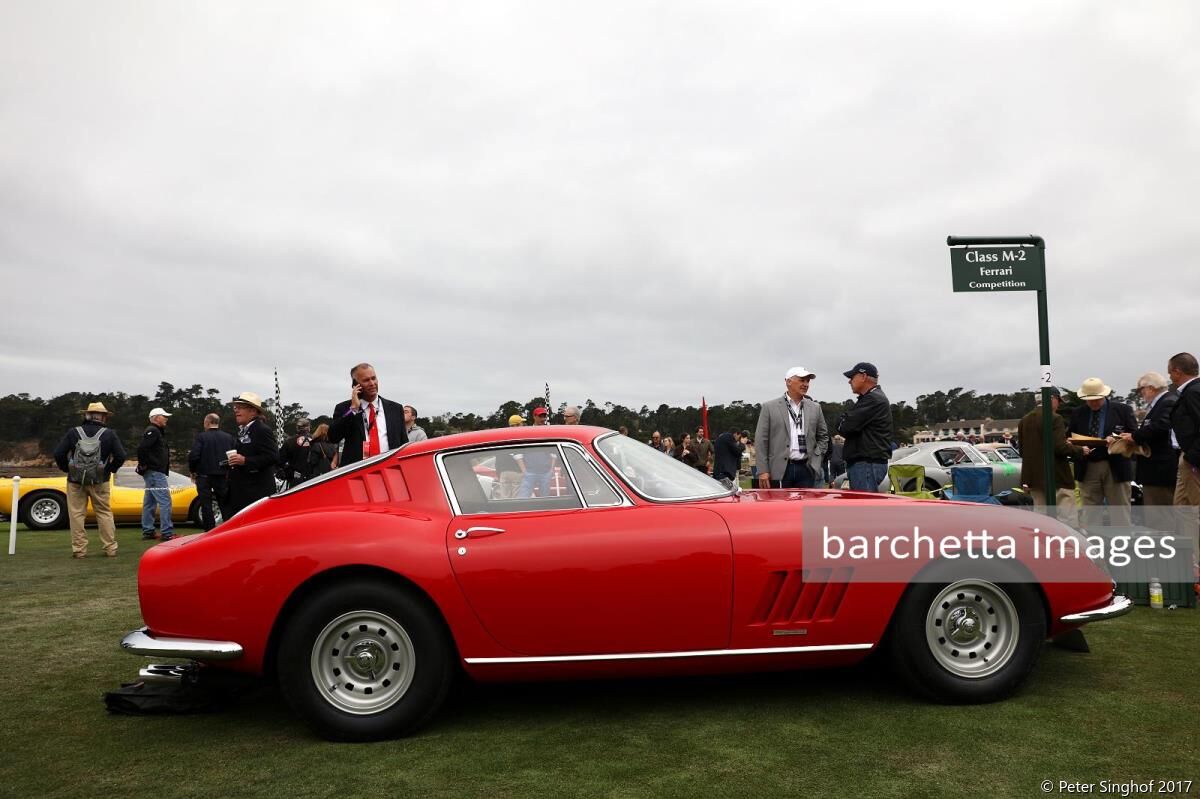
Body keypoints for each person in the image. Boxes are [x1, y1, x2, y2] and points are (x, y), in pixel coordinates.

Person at [52, 401, 126, 558]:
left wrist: (67, 469)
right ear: (103, 417)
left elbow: (58, 453)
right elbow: (121, 456)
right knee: (104, 513)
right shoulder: (109, 434)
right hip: (100, 480)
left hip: (75, 480)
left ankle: (79, 550)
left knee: (77, 514)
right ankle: (110, 548)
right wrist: (109, 470)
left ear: (86, 415)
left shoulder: (73, 432)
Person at [1067, 377, 1137, 528]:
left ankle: (1122, 541)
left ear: (1104, 395)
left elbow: (1134, 435)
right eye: (1089, 400)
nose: (1093, 403)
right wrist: (1075, 446)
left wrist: (1117, 438)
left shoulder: (1123, 410)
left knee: (1120, 511)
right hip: (1088, 467)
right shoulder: (1078, 413)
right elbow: (1070, 436)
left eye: (1097, 399)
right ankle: (1093, 540)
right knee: (1090, 513)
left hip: (1116, 466)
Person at [756, 366, 830, 489]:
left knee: (806, 502)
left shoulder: (815, 407)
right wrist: (763, 470)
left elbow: (823, 437)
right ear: (788, 382)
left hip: (807, 468)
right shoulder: (769, 407)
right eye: (802, 380)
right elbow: (761, 440)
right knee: (780, 502)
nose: (806, 384)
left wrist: (817, 458)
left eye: (807, 381)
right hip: (779, 469)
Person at [1018, 387, 1082, 527]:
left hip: (1034, 477)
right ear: (1052, 399)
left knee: (1041, 519)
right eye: (1058, 400)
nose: (1059, 404)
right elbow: (1060, 447)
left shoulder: (1024, 420)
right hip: (1057, 475)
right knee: (1067, 518)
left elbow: (1022, 451)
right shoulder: (1055, 418)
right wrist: (1080, 450)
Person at [329, 363, 407, 466]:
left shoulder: (395, 408)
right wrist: (353, 410)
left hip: (389, 468)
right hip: (358, 470)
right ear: (355, 385)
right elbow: (333, 437)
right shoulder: (344, 408)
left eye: (373, 378)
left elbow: (404, 444)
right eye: (366, 380)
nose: (372, 383)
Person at [1119, 372, 1178, 506]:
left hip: (1161, 470)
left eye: (1141, 389)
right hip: (1155, 470)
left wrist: (1134, 436)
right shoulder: (1161, 403)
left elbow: (1162, 425)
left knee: (1160, 511)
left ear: (1151, 388)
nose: (1141, 393)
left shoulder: (1168, 402)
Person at [837, 362, 892, 492]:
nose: (849, 381)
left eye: (852, 377)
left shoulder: (873, 399)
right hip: (867, 463)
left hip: (866, 464)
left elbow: (845, 427)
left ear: (863, 376)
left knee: (864, 503)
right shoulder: (871, 398)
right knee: (862, 502)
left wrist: (842, 420)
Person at [1167, 352, 1200, 559]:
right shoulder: (1191, 391)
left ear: (1177, 371)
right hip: (1188, 457)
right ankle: (1193, 557)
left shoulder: (1193, 392)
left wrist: (1192, 457)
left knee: (1194, 511)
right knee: (1182, 508)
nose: (1170, 377)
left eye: (1170, 372)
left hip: (1194, 460)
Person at [226, 392, 280, 516]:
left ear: (253, 411)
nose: (236, 410)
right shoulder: (245, 430)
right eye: (235, 407)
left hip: (255, 495)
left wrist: (245, 461)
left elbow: (273, 457)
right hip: (243, 493)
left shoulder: (262, 430)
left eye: (240, 407)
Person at [187, 413, 235, 531]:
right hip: (223, 475)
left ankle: (209, 529)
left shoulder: (201, 437)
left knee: (206, 504)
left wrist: (193, 470)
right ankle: (229, 529)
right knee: (225, 503)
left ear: (207, 423)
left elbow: (194, 456)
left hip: (204, 475)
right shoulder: (228, 437)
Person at [137, 407, 174, 541]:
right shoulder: (153, 431)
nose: (166, 419)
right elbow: (142, 448)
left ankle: (148, 531)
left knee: (150, 502)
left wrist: (144, 466)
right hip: (155, 472)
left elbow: (144, 449)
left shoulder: (155, 431)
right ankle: (167, 532)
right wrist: (143, 464)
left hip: (152, 472)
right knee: (165, 502)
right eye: (164, 416)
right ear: (156, 417)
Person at [516, 407, 553, 497]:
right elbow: (519, 453)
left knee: (545, 498)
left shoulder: (549, 432)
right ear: (534, 417)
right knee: (523, 497)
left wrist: (551, 470)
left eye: (544, 416)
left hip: (545, 472)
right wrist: (524, 471)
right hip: (529, 472)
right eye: (540, 416)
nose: (543, 419)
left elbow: (553, 454)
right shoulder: (526, 432)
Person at [278, 418, 313, 489]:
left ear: (297, 428)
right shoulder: (315, 440)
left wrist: (288, 471)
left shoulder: (289, 441)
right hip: (314, 479)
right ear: (308, 428)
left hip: (295, 479)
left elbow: (280, 461)